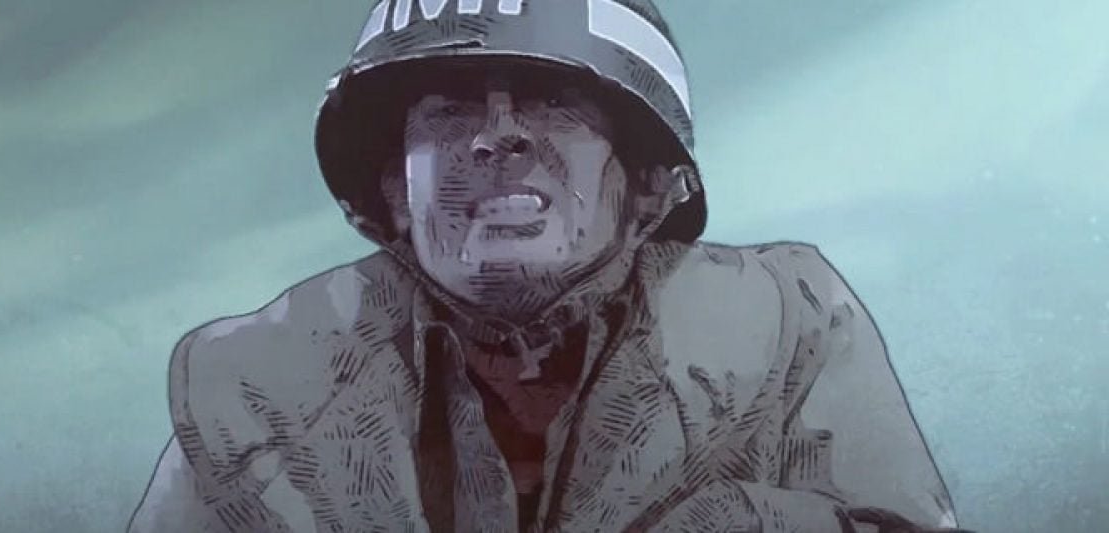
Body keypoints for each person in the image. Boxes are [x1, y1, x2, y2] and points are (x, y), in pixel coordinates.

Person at [129, 1, 969, 531]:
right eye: (449, 108)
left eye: (553, 99)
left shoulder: (787, 322)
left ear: (649, 179)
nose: (497, 135)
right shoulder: (256, 384)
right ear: (389, 191)